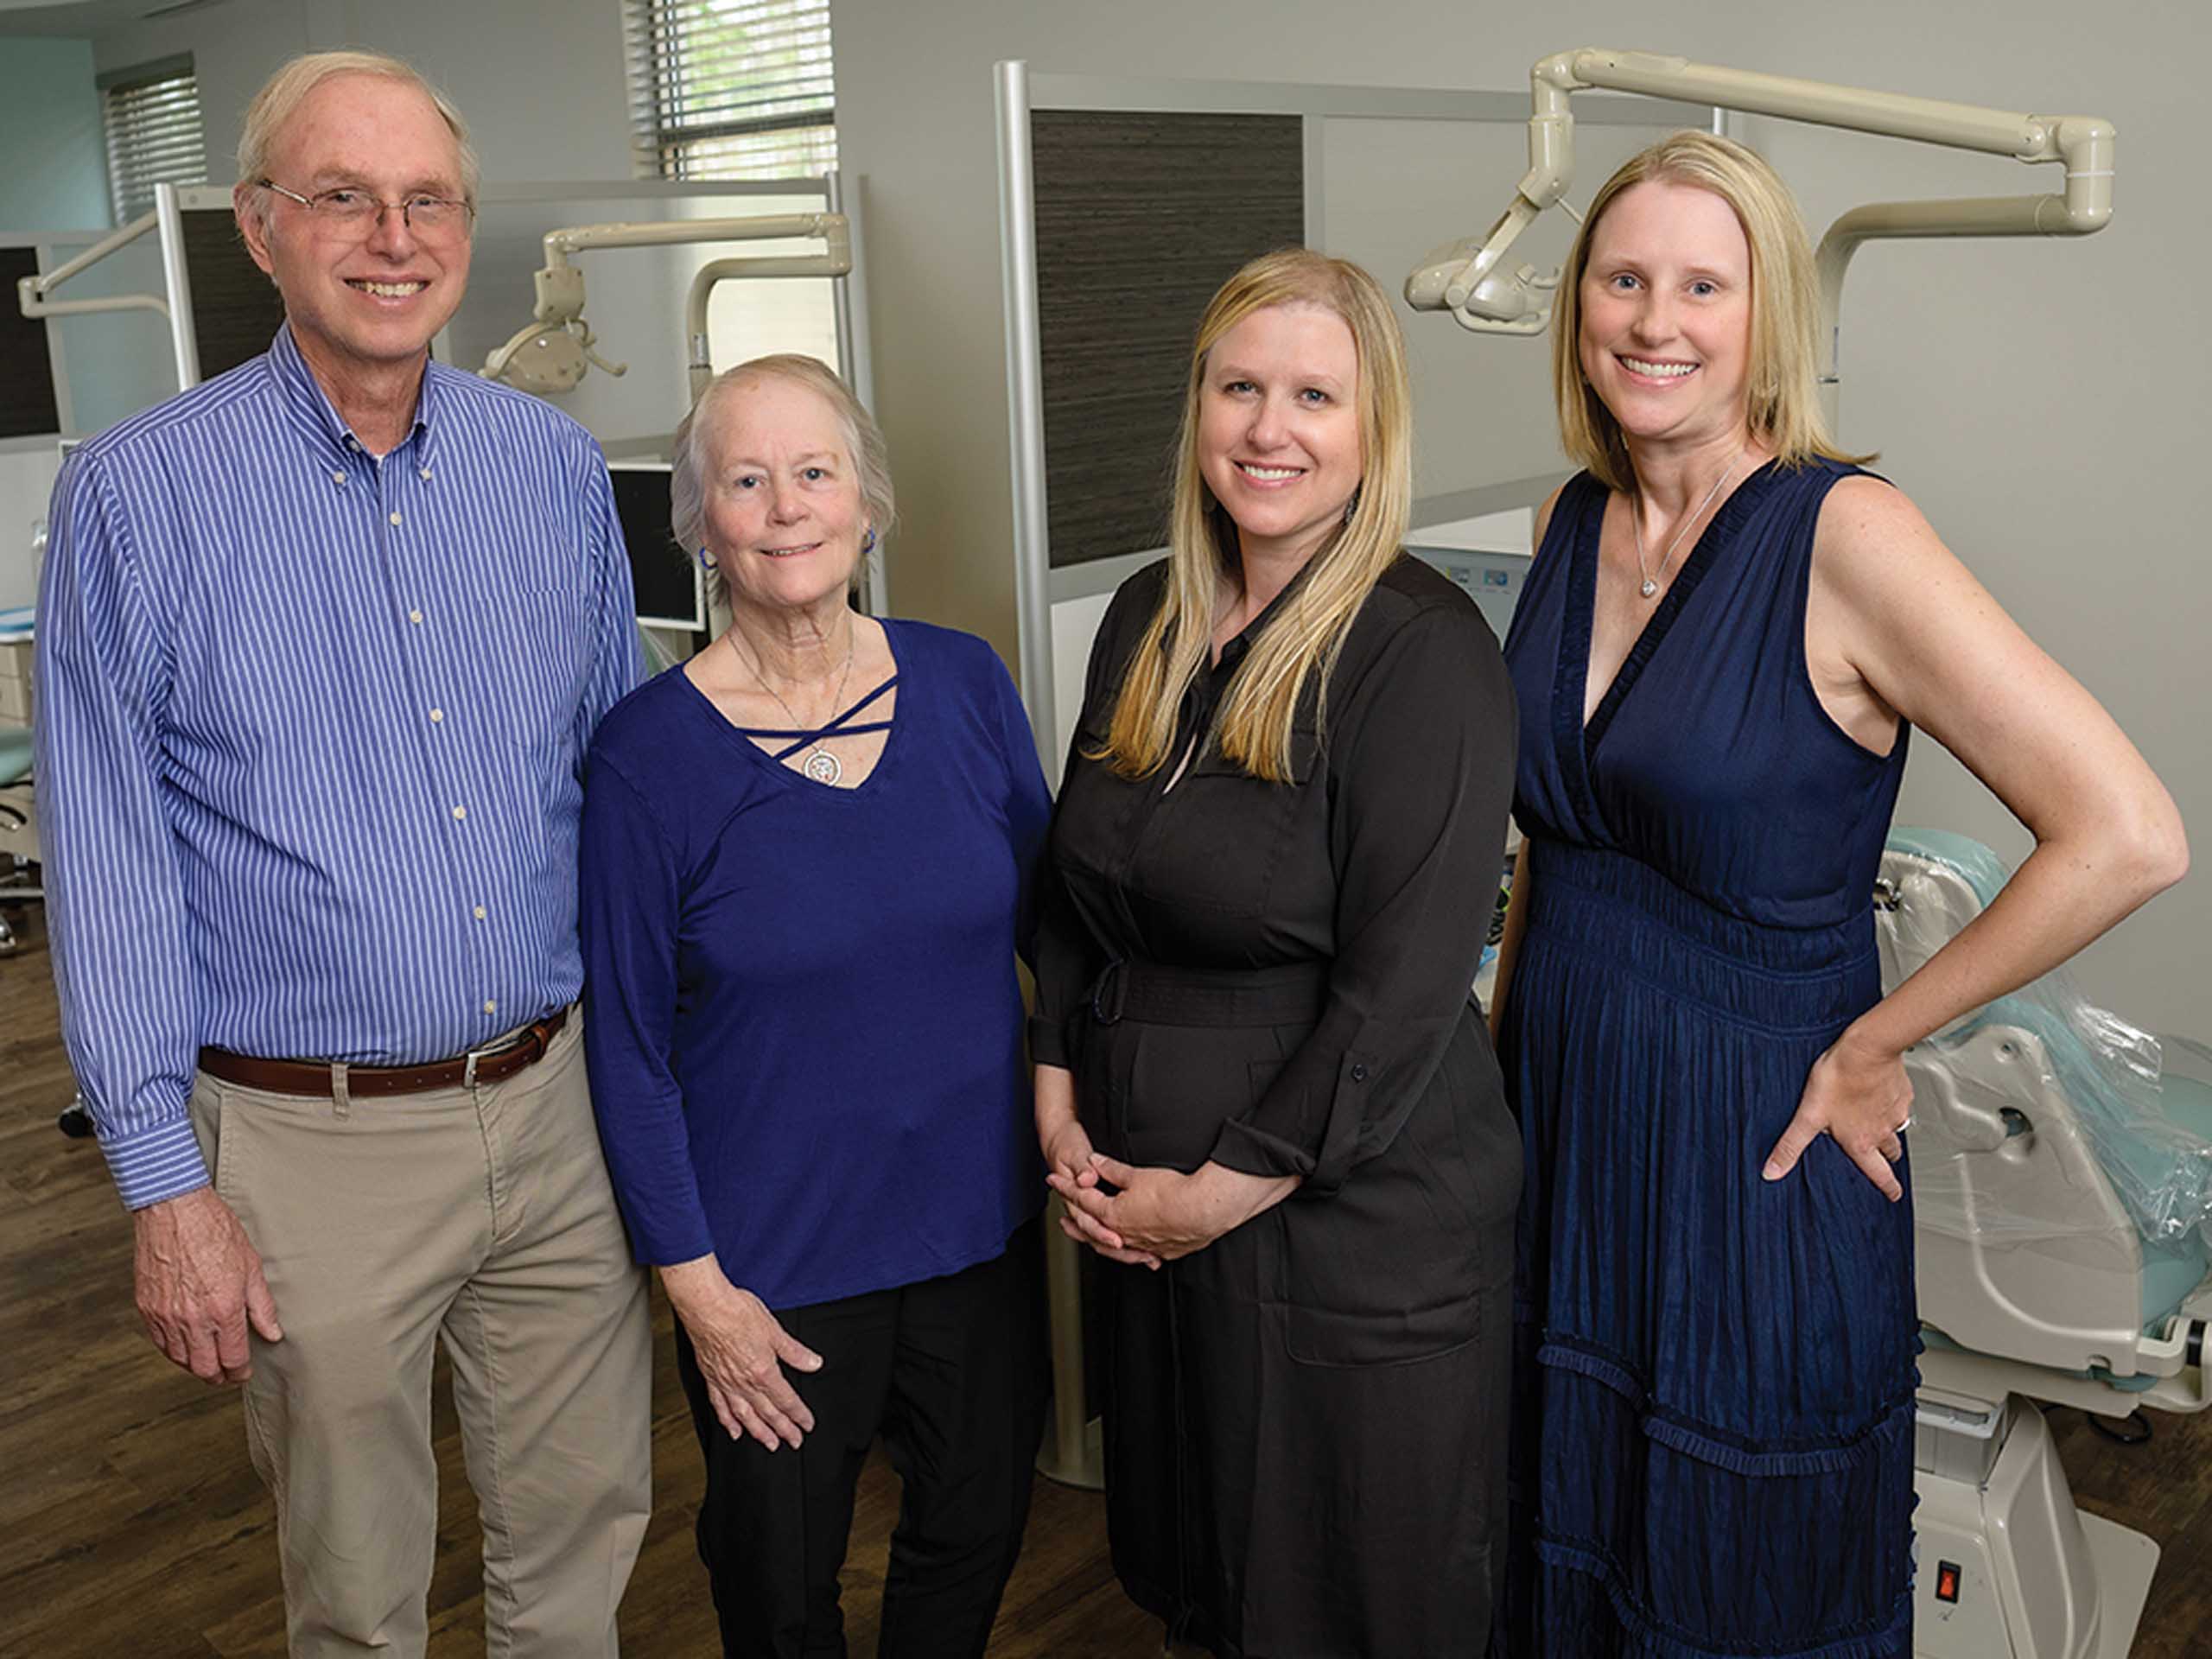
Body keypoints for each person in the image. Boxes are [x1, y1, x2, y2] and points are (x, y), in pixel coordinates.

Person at [1488, 130, 2188, 1659]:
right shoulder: (1566, 521)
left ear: (1765, 321)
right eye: (1623, 278)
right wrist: (1495, 1081)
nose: (1654, 321)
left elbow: (2127, 831)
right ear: (1580, 306)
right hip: (1564, 1109)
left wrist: (1880, 1044)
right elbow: (1555, 848)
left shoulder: (1846, 535)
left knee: (1735, 1573)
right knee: (1562, 1539)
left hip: (1754, 1134)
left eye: (1701, 285)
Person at [35, 52, 652, 1657]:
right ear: (259, 227)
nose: (393, 235)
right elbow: (105, 864)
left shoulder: (552, 471)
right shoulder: (135, 495)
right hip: (312, 1148)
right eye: (341, 197)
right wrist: (167, 1189)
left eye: (426, 198)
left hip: (559, 1106)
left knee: (581, 1553)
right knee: (361, 1598)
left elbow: (619, 780)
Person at [1033, 249, 1521, 1656]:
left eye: (1315, 394)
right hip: (1157, 1207)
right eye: (1241, 387)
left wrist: (1230, 1188)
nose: (1270, 429)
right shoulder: (1149, 617)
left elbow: (1406, 985)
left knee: (1348, 1596)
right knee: (1211, 1576)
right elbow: (1073, 884)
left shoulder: (1420, 652)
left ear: (1374, 432)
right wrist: (1057, 1079)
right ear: (1196, 409)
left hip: (1347, 1217)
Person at [579, 354, 1052, 1659]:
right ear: (699, 525)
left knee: (973, 1533)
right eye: (745, 479)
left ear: (867, 501)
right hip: (771, 1275)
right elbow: (624, 1048)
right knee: (777, 1586)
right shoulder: (645, 757)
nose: (785, 507)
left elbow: (1056, 935)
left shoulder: (964, 685)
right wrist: (700, 1293)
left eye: (814, 471)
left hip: (978, 1233)